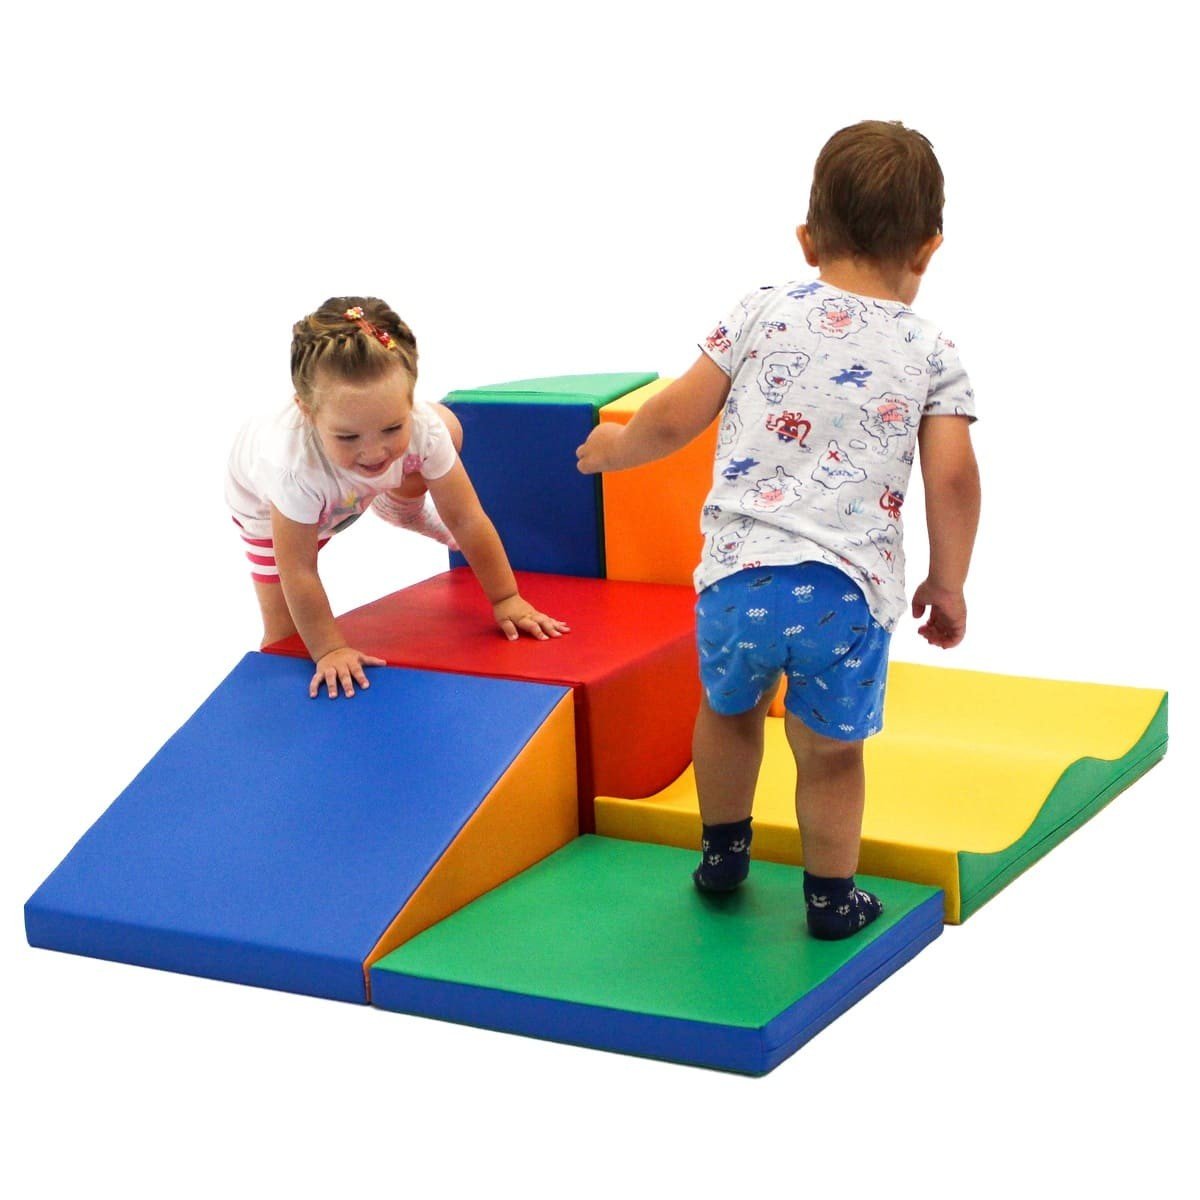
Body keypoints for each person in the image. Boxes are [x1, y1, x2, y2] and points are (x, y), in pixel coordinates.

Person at [577, 121, 980, 940]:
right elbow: (953, 478)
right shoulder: (932, 349)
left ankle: (723, 855)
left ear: (807, 240)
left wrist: (616, 450)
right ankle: (831, 899)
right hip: (845, 597)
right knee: (831, 753)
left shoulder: (762, 310)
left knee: (727, 712)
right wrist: (948, 580)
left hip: (739, 578)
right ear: (929, 249)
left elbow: (672, 416)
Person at [227, 296, 568, 699]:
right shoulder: (290, 468)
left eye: (392, 427)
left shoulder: (420, 428)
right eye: (348, 436)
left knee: (447, 429)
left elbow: (466, 519)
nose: (373, 452)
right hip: (270, 512)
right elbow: (298, 570)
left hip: (346, 490)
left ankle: (398, 506)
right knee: (284, 639)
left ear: (409, 401)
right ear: (306, 412)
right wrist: (330, 648)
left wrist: (506, 597)